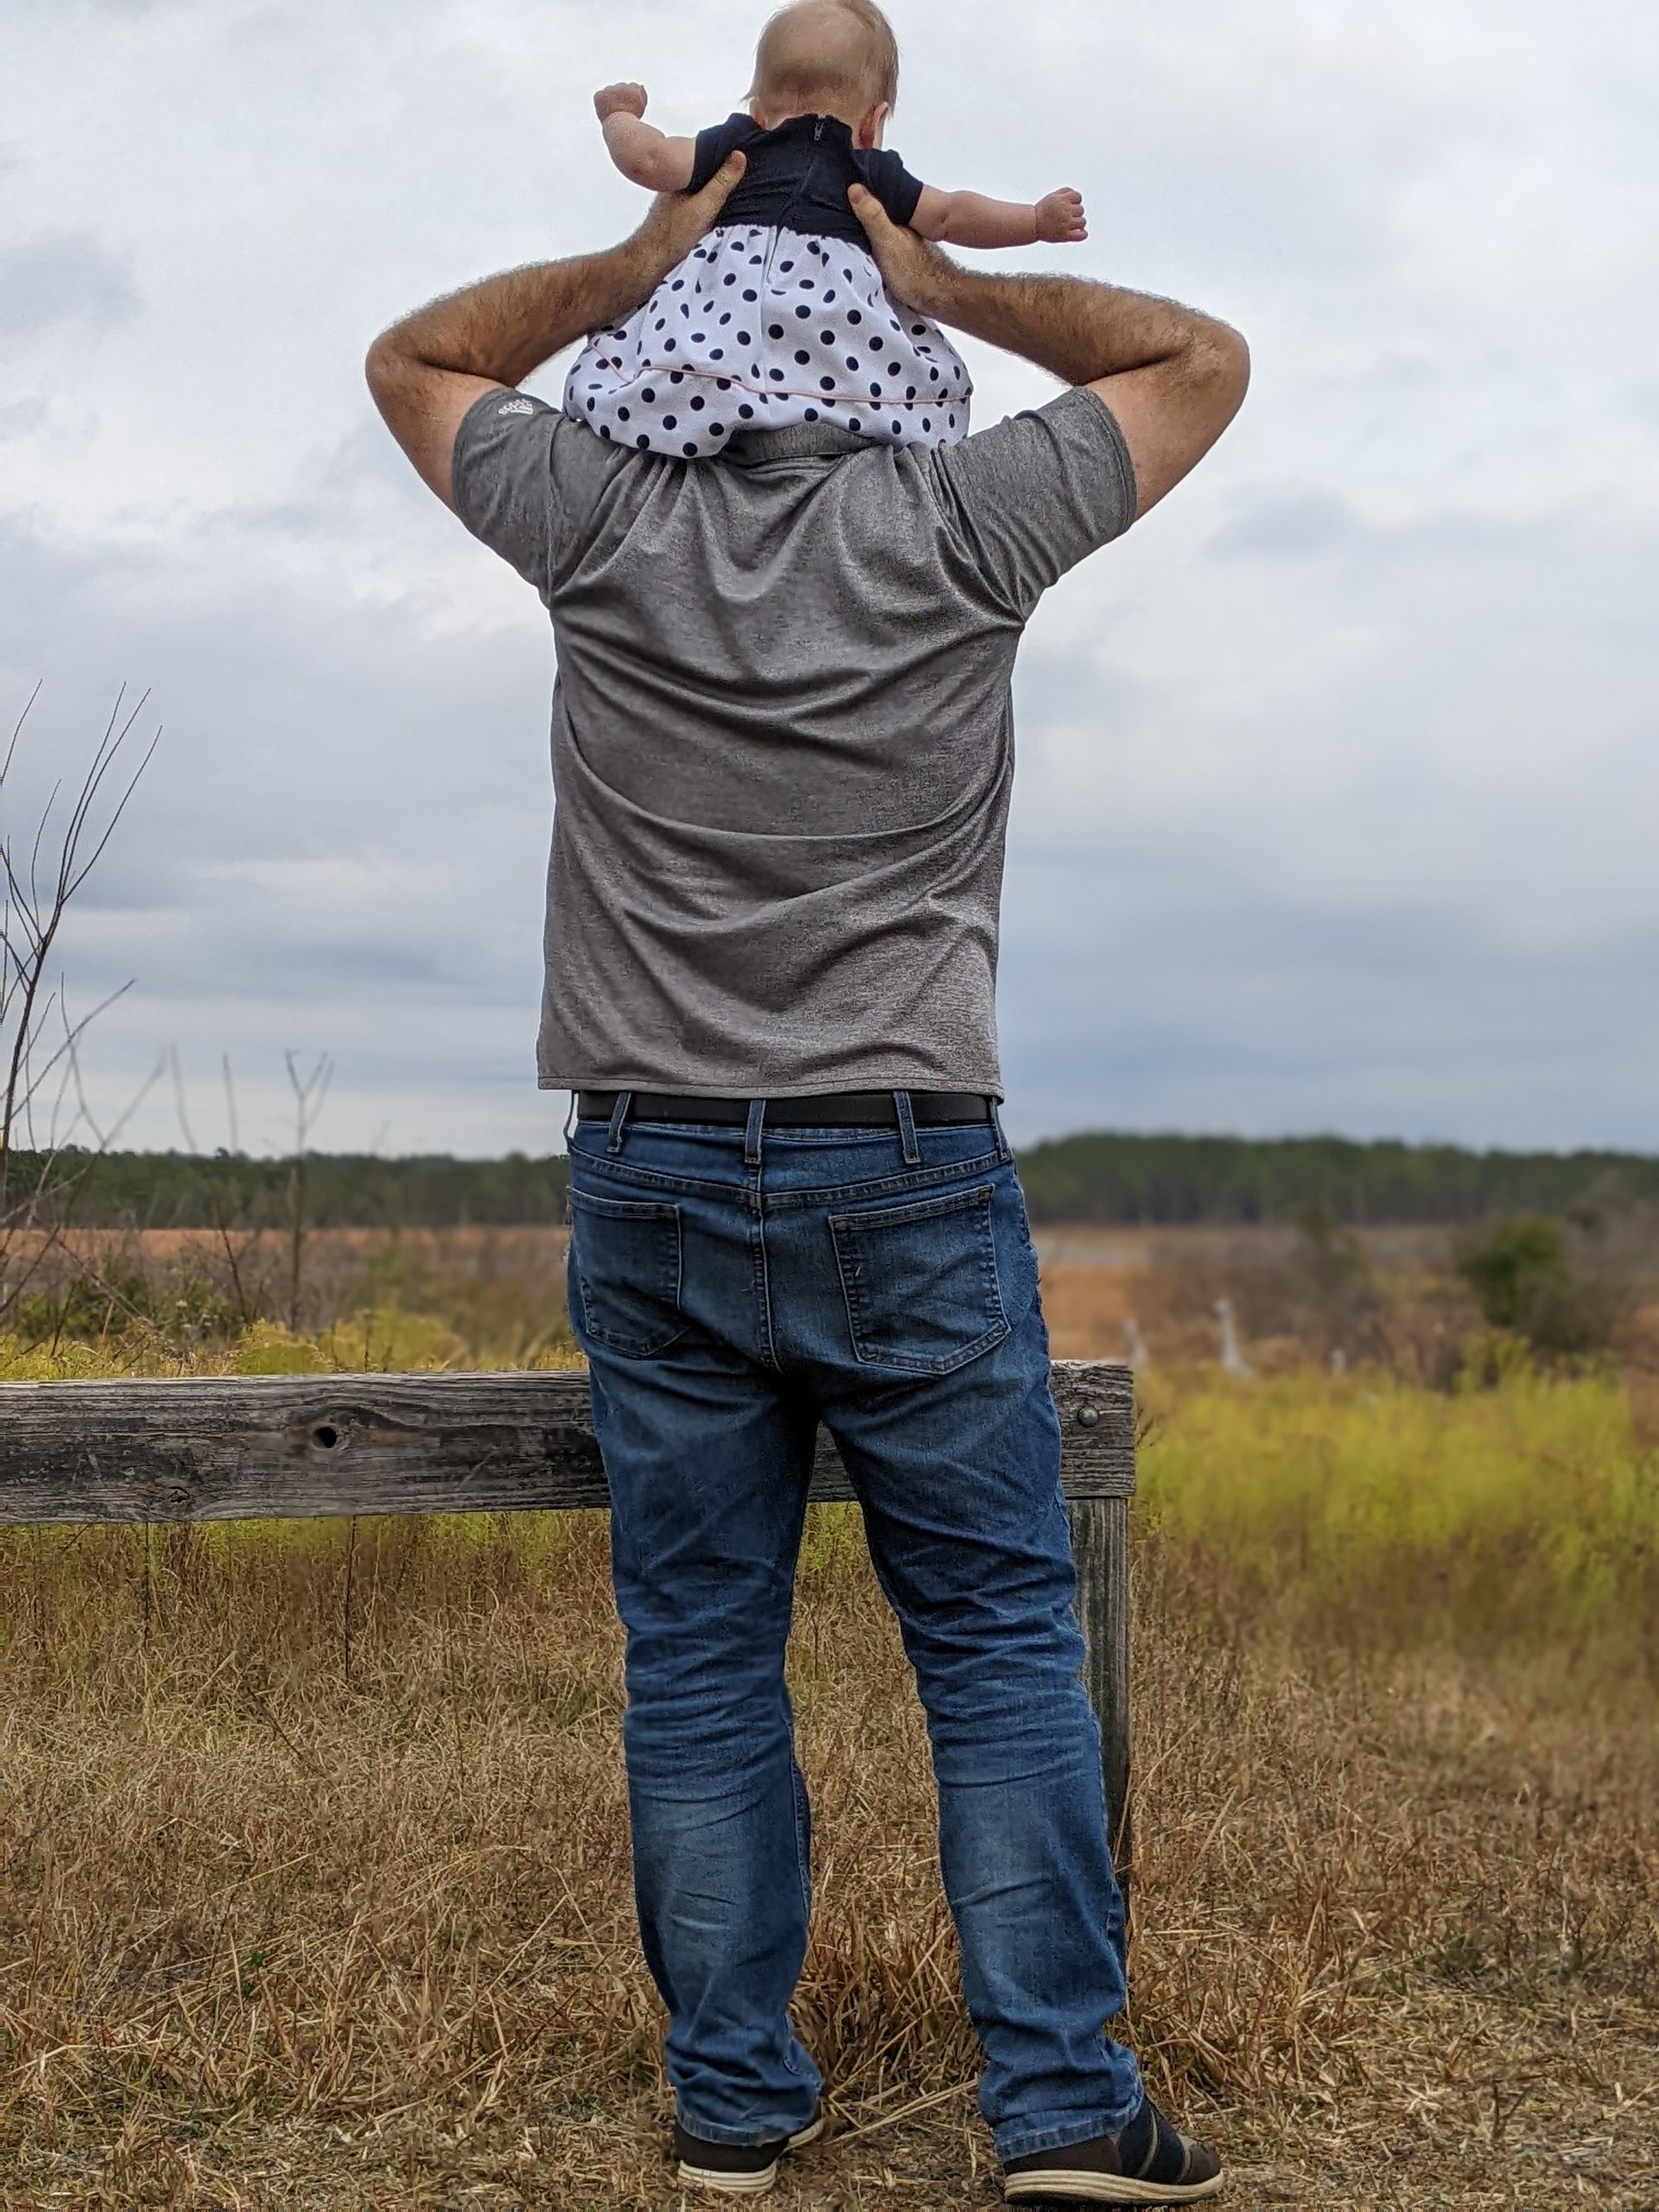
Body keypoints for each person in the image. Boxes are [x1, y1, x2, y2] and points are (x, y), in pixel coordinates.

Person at [365, 85, 1248, 2204]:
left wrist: (638, 255)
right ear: (878, 339)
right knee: (998, 1640)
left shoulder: (592, 515)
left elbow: (415, 360)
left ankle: (736, 2105)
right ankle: (1054, 2103)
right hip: (909, 1159)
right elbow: (1197, 362)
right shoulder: (967, 519)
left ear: (685, 338)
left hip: (651, 1163)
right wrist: (950, 275)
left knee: (696, 1651)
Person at [568, 0, 1085, 457]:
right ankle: (829, 436)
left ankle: (695, 427)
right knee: (868, 388)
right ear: (874, 122)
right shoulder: (870, 169)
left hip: (713, 340)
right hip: (836, 347)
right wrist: (1033, 220)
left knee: (675, 363)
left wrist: (618, 116)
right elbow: (952, 215)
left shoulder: (741, 143)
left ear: (758, 111)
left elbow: (650, 161)